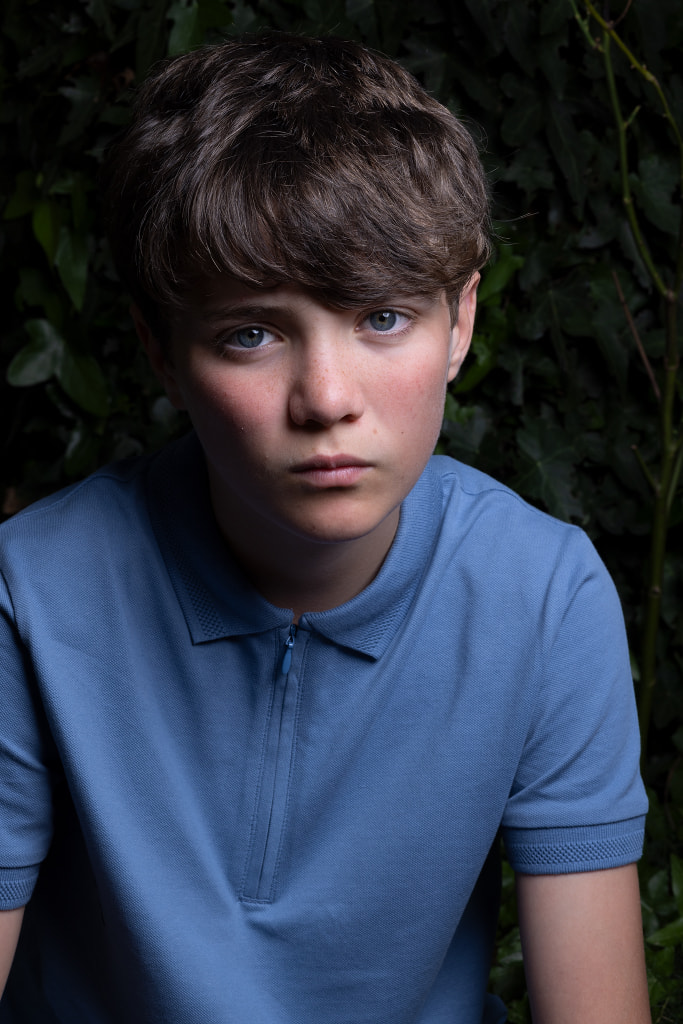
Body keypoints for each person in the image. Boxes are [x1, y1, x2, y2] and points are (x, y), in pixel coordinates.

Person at [0, 32, 651, 1024]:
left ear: (460, 322)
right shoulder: (32, 594)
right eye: (251, 333)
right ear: (162, 353)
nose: (327, 398)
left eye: (381, 317)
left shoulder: (544, 597)